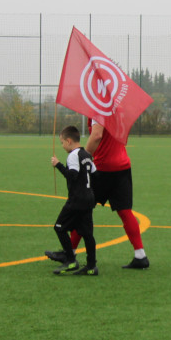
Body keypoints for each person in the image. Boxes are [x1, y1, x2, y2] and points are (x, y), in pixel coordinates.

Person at [48, 117, 150, 270]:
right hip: (122, 165)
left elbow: (97, 135)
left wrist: (83, 155)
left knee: (81, 207)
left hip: (103, 167)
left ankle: (70, 253)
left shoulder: (99, 107)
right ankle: (140, 255)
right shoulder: (117, 108)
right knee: (125, 211)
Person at [48, 125, 98, 276]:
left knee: (59, 227)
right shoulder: (87, 155)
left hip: (77, 201)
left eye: (62, 142)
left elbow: (72, 175)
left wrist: (58, 165)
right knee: (87, 233)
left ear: (69, 141)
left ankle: (70, 260)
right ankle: (91, 266)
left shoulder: (73, 155)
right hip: (88, 199)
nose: (62, 146)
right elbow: (95, 175)